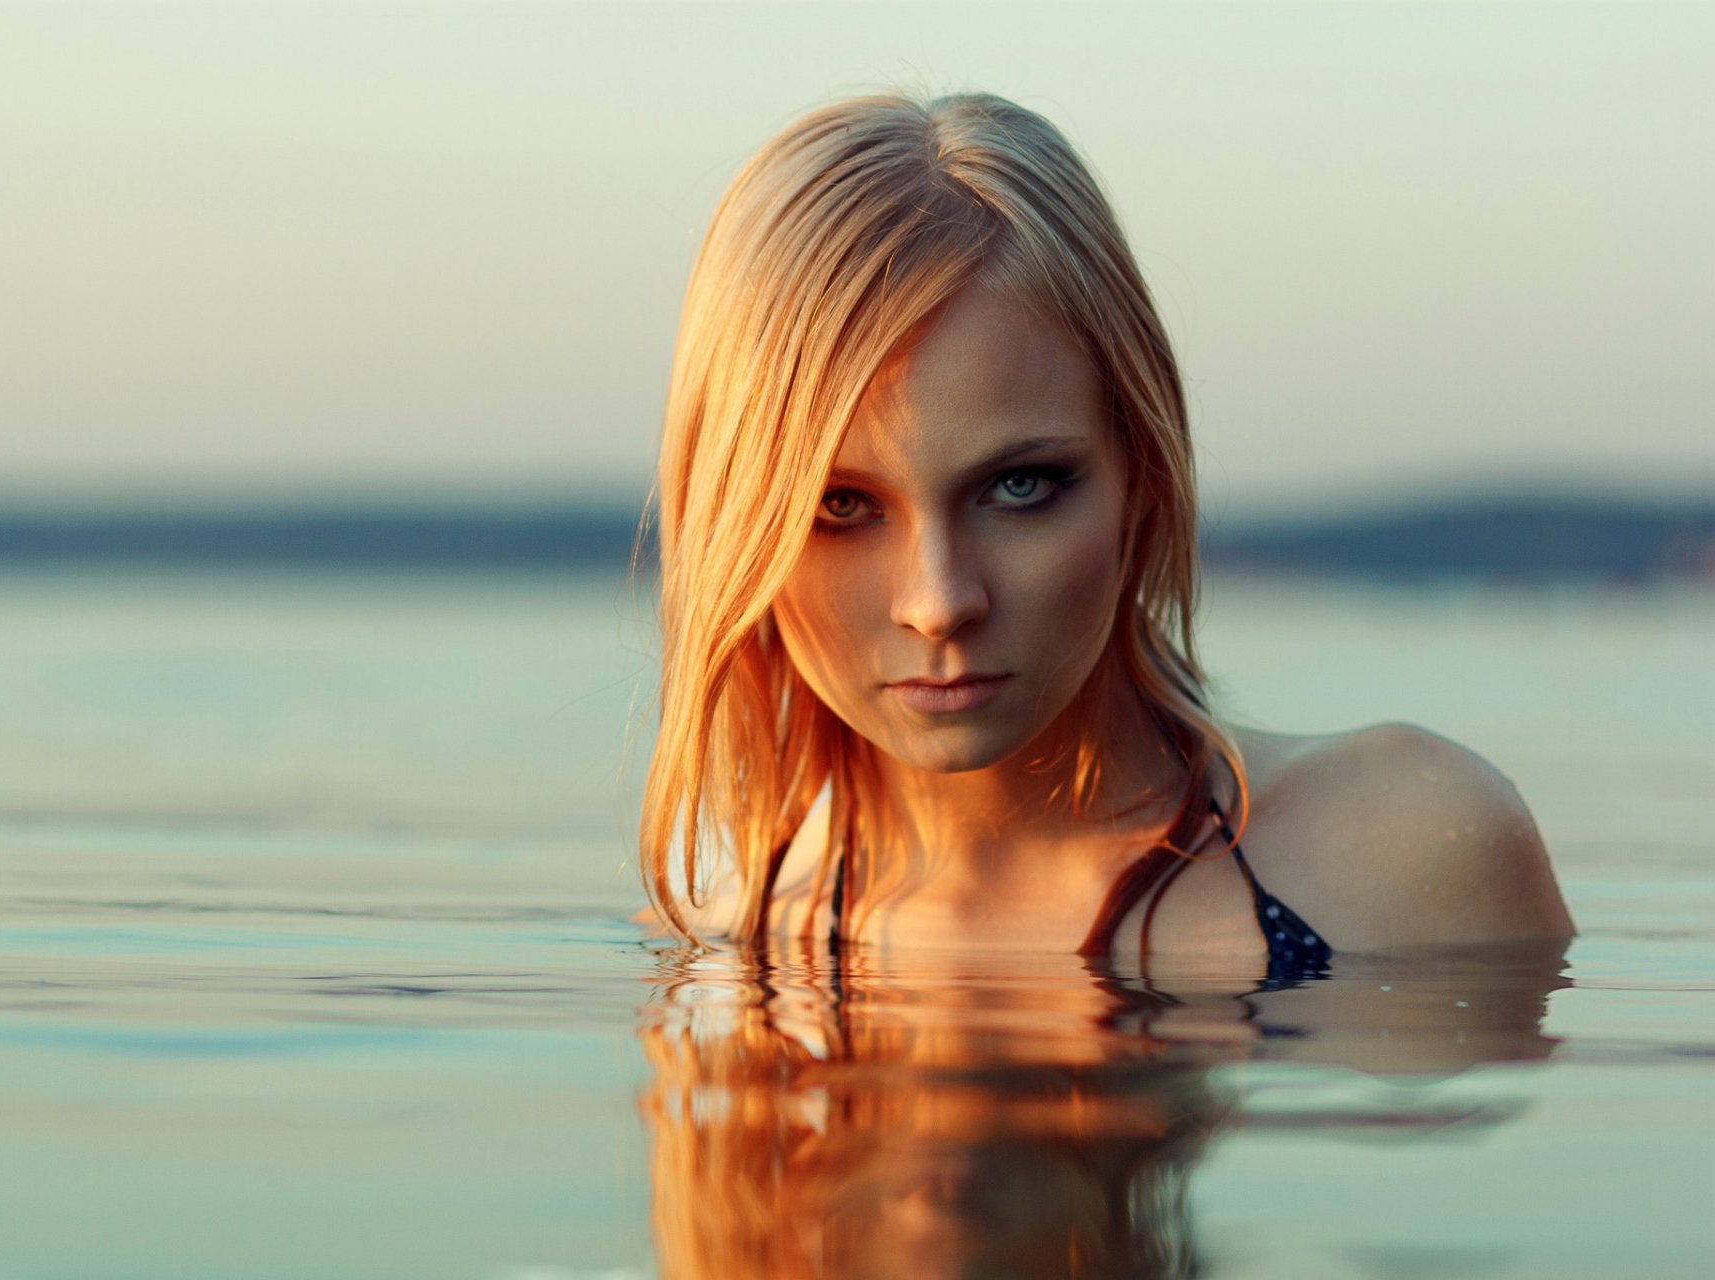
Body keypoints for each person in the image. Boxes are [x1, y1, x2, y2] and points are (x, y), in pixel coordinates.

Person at [636, 90, 1573, 976]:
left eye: (1018, 485)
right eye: (838, 507)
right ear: (731, 528)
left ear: (1144, 475)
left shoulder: (1399, 855)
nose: (939, 602)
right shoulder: (729, 936)